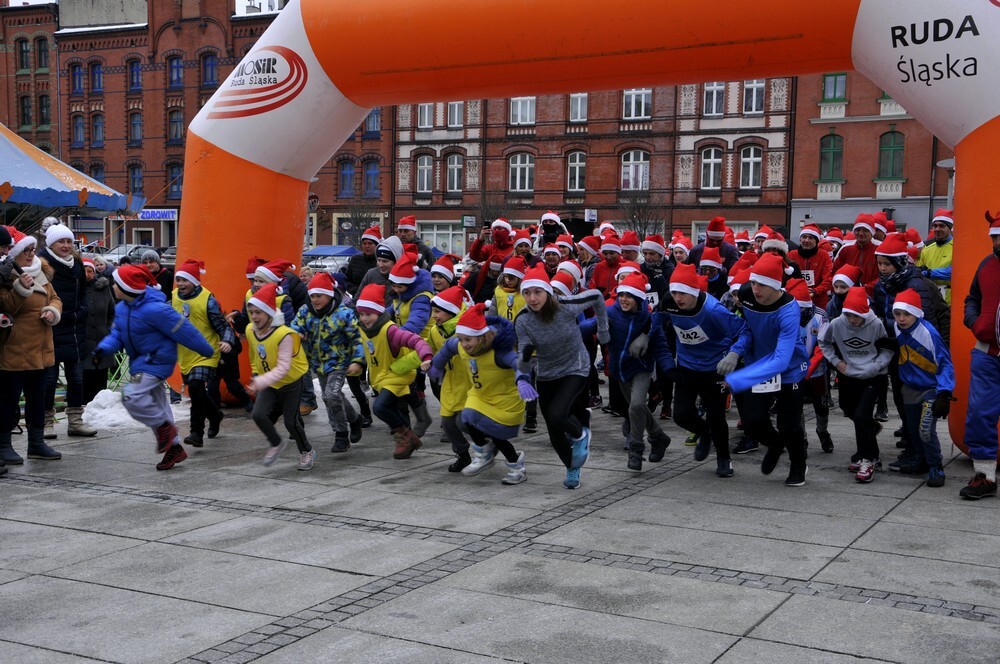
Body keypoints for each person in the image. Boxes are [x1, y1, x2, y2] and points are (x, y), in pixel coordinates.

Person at [95, 264, 215, 470]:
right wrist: (103, 348)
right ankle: (174, 448)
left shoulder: (156, 309)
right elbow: (117, 335)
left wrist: (207, 351)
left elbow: (185, 330)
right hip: (140, 362)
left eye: (117, 283)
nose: (113, 286)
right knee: (159, 405)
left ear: (127, 288)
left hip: (156, 361)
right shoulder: (122, 308)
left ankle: (163, 428)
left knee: (131, 397)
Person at [515, 264, 609, 489]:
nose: (532, 298)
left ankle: (581, 434)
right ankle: (572, 467)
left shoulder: (566, 306)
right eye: (527, 293)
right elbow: (523, 356)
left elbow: (596, 296)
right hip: (547, 373)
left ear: (548, 292)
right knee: (554, 431)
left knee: (558, 414)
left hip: (575, 367)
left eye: (537, 292)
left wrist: (603, 331)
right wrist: (524, 364)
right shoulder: (523, 319)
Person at [720, 253, 810, 486]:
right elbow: (748, 329)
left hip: (789, 369)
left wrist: (740, 378)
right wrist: (735, 351)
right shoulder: (747, 294)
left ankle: (798, 463)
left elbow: (781, 359)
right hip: (757, 364)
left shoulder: (789, 311)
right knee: (752, 422)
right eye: (754, 282)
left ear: (776, 286)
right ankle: (775, 444)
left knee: (788, 425)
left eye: (762, 285)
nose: (755, 288)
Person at [662, 263, 749, 475]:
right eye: (674, 292)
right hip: (687, 367)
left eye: (682, 293)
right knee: (681, 415)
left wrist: (734, 353)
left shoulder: (713, 310)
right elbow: (657, 324)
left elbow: (745, 331)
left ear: (693, 292)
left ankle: (724, 458)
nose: (678, 298)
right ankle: (704, 432)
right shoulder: (670, 304)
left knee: (716, 414)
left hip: (715, 368)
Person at [430, 303, 527, 484]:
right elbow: (448, 348)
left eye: (468, 340)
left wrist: (523, 380)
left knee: (498, 437)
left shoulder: (499, 352)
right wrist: (437, 364)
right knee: (466, 417)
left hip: (504, 400)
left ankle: (516, 465)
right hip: (480, 394)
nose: (464, 344)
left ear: (481, 337)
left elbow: (519, 363)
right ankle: (484, 451)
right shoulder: (460, 345)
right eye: (461, 339)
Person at [588, 272, 674, 471]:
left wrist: (669, 368)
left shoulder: (648, 318)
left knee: (636, 405)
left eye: (629, 296)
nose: (624, 299)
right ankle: (658, 437)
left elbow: (660, 344)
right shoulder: (611, 312)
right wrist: (572, 330)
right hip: (620, 369)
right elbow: (592, 326)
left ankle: (636, 449)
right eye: (621, 295)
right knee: (637, 409)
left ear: (638, 298)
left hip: (642, 368)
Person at [0, 228, 63, 466]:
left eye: (32, 249)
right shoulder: (6, 275)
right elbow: (6, 307)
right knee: (9, 399)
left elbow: (55, 297)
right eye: (25, 250)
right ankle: (4, 445)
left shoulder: (41, 271)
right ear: (13, 253)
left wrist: (53, 310)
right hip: (14, 347)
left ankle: (36, 444)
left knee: (37, 398)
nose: (30, 254)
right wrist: (20, 290)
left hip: (41, 347)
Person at [819, 287, 893, 482]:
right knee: (848, 408)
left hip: (873, 376)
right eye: (849, 315)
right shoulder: (837, 323)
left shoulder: (875, 323)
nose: (852, 320)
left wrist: (876, 366)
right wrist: (837, 362)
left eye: (856, 316)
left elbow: (887, 349)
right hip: (848, 373)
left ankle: (869, 459)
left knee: (861, 415)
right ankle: (870, 431)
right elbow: (824, 343)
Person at [355, 283, 434, 459]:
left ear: (379, 312)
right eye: (361, 314)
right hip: (381, 376)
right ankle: (411, 432)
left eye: (368, 314)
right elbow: (360, 348)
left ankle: (406, 435)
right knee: (400, 404)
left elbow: (415, 341)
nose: (365, 318)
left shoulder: (390, 330)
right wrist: (356, 362)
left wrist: (426, 355)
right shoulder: (362, 329)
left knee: (380, 407)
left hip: (397, 374)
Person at [244, 283, 317, 469]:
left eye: (258, 312)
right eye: (251, 312)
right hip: (269, 381)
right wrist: (255, 373)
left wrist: (260, 381)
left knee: (291, 422)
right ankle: (276, 443)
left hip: (291, 381)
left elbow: (284, 367)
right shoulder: (250, 331)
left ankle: (306, 451)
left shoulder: (284, 335)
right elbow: (254, 356)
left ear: (269, 313)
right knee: (259, 415)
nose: (254, 316)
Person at [291, 272, 365, 453]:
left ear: (330, 294)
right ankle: (355, 419)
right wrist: (296, 335)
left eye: (319, 296)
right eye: (312, 296)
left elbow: (358, 339)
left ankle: (341, 434)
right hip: (318, 363)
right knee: (334, 397)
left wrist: (357, 361)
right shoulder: (305, 311)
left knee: (331, 395)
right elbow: (293, 328)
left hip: (340, 363)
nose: (315, 300)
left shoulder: (344, 314)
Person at [38, 221, 97, 439]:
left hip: (74, 328)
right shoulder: (42, 264)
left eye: (68, 241)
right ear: (51, 244)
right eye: (61, 241)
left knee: (77, 378)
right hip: (51, 327)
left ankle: (75, 421)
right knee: (49, 380)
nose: (65, 245)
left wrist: (83, 310)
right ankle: (46, 422)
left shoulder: (78, 264)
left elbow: (83, 291)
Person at [892, 288, 954, 489]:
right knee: (912, 430)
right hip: (909, 388)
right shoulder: (897, 327)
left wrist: (944, 393)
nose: (901, 319)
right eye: (898, 314)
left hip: (931, 389)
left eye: (907, 314)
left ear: (917, 313)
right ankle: (921, 460)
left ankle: (936, 466)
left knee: (925, 430)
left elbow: (945, 363)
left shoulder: (929, 333)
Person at [958, 213, 1000, 500]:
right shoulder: (987, 264)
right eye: (994, 236)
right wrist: (974, 322)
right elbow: (972, 297)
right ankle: (985, 475)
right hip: (988, 353)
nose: (996, 242)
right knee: (980, 414)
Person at [172, 259, 233, 448]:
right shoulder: (173, 296)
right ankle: (215, 414)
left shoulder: (208, 300)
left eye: (185, 280)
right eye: (178, 280)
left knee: (197, 387)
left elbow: (222, 325)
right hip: (185, 354)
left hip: (207, 352)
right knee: (196, 392)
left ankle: (196, 432)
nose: (181, 284)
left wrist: (227, 340)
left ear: (195, 281)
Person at [425, 286, 473, 471]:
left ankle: (487, 441)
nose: (434, 316)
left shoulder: (466, 329)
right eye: (433, 311)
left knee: (464, 422)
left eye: (437, 311)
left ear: (451, 312)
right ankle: (463, 455)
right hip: (450, 383)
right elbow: (427, 350)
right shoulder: (435, 332)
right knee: (448, 423)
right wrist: (422, 361)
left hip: (470, 383)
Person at [786, 278, 833, 453]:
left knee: (821, 406)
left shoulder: (820, 315)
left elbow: (822, 347)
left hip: (816, 370)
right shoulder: (784, 314)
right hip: (793, 371)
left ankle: (822, 431)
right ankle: (802, 438)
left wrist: (808, 369)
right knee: (796, 407)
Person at [81, 256, 117, 404]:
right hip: (83, 342)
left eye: (90, 271)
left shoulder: (104, 289)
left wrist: (108, 330)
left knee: (101, 378)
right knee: (84, 378)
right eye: (84, 271)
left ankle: (100, 410)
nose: (87, 274)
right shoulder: (77, 289)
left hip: (102, 340)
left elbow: (112, 313)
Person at [787, 223, 834, 310]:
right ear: (800, 239)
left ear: (816, 241)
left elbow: (828, 278)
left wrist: (815, 291)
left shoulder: (824, 255)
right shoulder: (791, 255)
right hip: (796, 300)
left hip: (819, 301)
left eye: (811, 238)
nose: (806, 240)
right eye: (804, 237)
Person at [833, 214, 881, 293]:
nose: (861, 233)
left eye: (865, 230)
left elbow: (885, 276)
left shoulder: (880, 249)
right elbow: (835, 272)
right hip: (848, 295)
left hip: (874, 297)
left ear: (872, 232)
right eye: (858, 230)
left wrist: (865, 288)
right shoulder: (846, 249)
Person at [917, 209, 954, 305]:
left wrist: (929, 273)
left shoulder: (958, 248)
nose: (937, 229)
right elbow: (920, 273)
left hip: (949, 301)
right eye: (935, 226)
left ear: (949, 228)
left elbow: (955, 272)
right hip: (930, 299)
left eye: (942, 226)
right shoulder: (927, 250)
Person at [345, 225, 381, 295]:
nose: (367, 246)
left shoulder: (381, 261)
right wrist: (355, 290)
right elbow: (347, 280)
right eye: (364, 243)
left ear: (377, 245)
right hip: (356, 297)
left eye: (370, 243)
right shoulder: (355, 259)